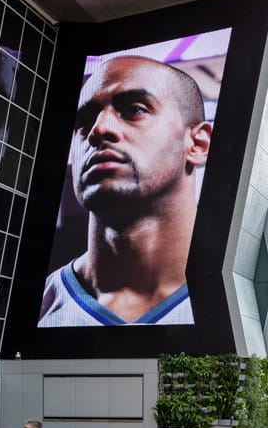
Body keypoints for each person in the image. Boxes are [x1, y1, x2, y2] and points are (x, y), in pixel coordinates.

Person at [38, 55, 212, 326]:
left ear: (197, 145)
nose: (99, 129)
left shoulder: (232, 303)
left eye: (135, 109)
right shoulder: (39, 309)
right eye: (84, 120)